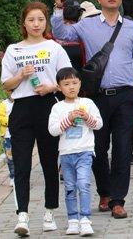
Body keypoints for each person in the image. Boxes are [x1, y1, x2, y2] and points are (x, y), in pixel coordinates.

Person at [52, 0, 133, 220]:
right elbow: (60, 32)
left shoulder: (131, 27)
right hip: (96, 97)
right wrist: (58, 8)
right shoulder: (85, 25)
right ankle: (104, 192)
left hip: (127, 95)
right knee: (97, 147)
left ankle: (118, 200)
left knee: (122, 148)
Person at [1, 1, 72, 235]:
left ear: (46, 22)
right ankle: (22, 215)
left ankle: (50, 211)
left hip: (47, 108)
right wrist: (21, 75)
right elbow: (6, 85)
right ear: (24, 23)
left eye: (40, 19)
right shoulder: (14, 50)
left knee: (50, 163)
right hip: (21, 110)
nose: (36, 24)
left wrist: (51, 87)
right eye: (31, 20)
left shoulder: (55, 48)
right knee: (21, 165)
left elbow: (68, 82)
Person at [47, 68, 103, 236]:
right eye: (66, 84)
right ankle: (72, 220)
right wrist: (68, 119)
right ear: (59, 87)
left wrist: (86, 117)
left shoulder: (88, 103)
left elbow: (98, 124)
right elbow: (53, 130)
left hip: (84, 151)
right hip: (65, 154)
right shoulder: (57, 107)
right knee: (70, 187)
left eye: (74, 83)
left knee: (84, 184)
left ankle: (85, 219)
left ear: (80, 84)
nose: (71, 87)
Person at [0, 93, 15, 186]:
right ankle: (13, 176)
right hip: (8, 135)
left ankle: (21, 176)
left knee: (21, 156)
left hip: (21, 135)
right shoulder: (4, 104)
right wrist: (9, 121)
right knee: (10, 157)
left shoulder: (22, 103)